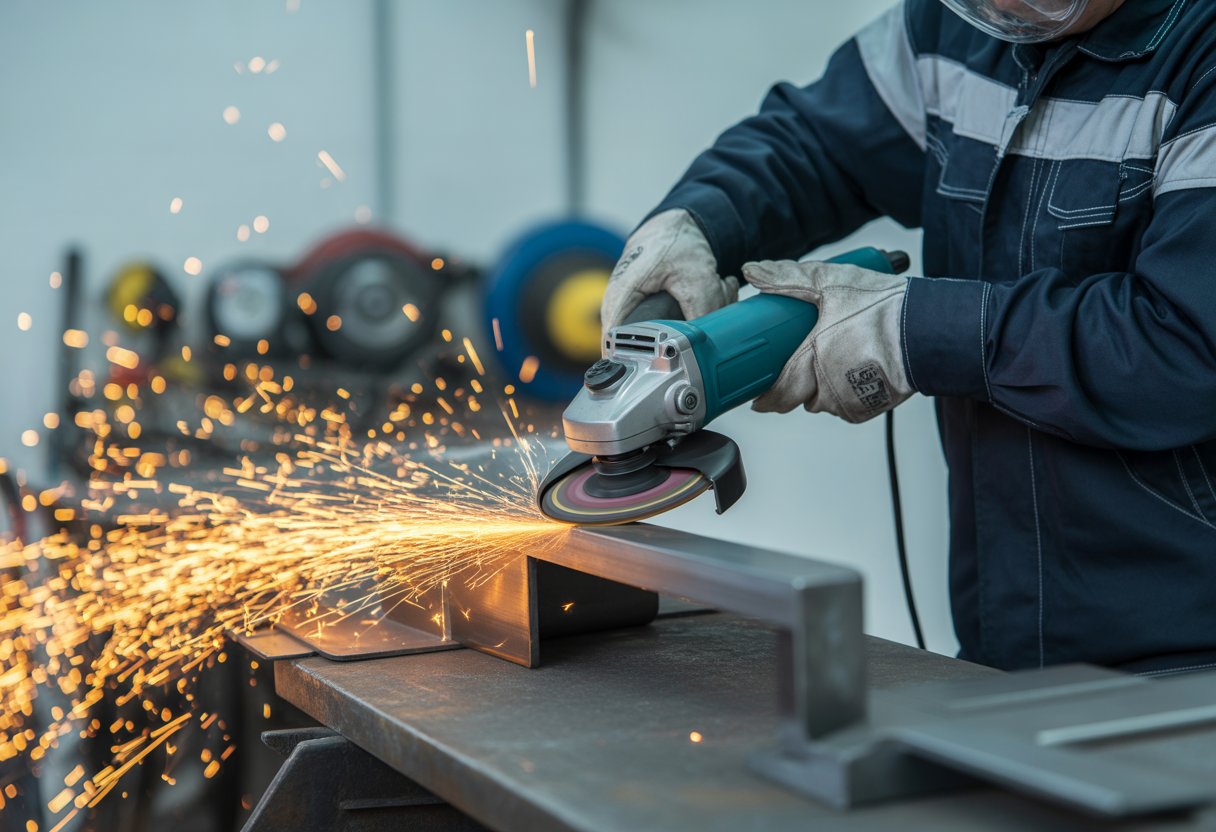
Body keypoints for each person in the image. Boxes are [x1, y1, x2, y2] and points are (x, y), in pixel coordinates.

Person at [601, 0, 1216, 674]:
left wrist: (911, 330)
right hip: (1003, 638)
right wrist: (699, 221)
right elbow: (821, 146)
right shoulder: (953, 24)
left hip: (1189, 654)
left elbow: (1187, 344)